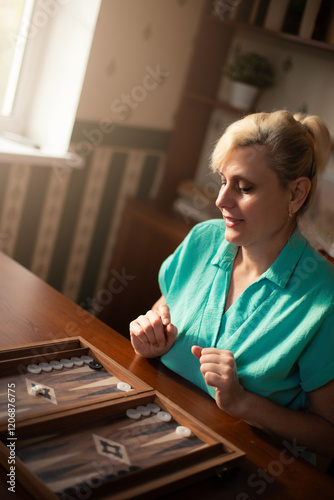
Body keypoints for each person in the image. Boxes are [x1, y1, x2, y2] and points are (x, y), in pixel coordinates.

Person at [129, 110, 334, 460]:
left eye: (245, 187)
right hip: (157, 432)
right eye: (223, 181)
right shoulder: (203, 240)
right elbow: (161, 311)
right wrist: (148, 338)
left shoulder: (324, 300)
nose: (222, 200)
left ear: (297, 194)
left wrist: (243, 403)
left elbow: (329, 438)